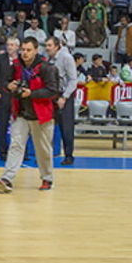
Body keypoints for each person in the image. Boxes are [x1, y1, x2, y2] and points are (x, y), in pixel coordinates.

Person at [0, 37, 59, 193]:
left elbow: (53, 91)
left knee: (43, 149)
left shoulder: (46, 67)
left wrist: (32, 93)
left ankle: (47, 178)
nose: (24, 53)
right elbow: (5, 82)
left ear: (36, 50)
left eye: (28, 50)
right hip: (21, 113)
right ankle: (7, 178)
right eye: (22, 49)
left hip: (42, 115)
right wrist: (9, 86)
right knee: (15, 145)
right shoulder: (16, 66)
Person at [46, 37, 77, 166]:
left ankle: (69, 155)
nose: (47, 48)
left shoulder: (66, 58)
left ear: (57, 46)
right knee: (47, 127)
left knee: (66, 127)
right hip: (51, 95)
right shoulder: (48, 59)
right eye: (46, 45)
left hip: (64, 95)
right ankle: (46, 156)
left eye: (49, 45)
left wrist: (64, 96)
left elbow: (73, 80)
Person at [0, 38, 20, 161]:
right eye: (8, 45)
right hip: (3, 97)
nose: (9, 47)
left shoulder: (22, 60)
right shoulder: (0, 59)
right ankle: (2, 152)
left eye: (12, 45)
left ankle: (22, 152)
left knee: (20, 126)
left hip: (18, 98)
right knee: (3, 125)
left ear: (17, 47)